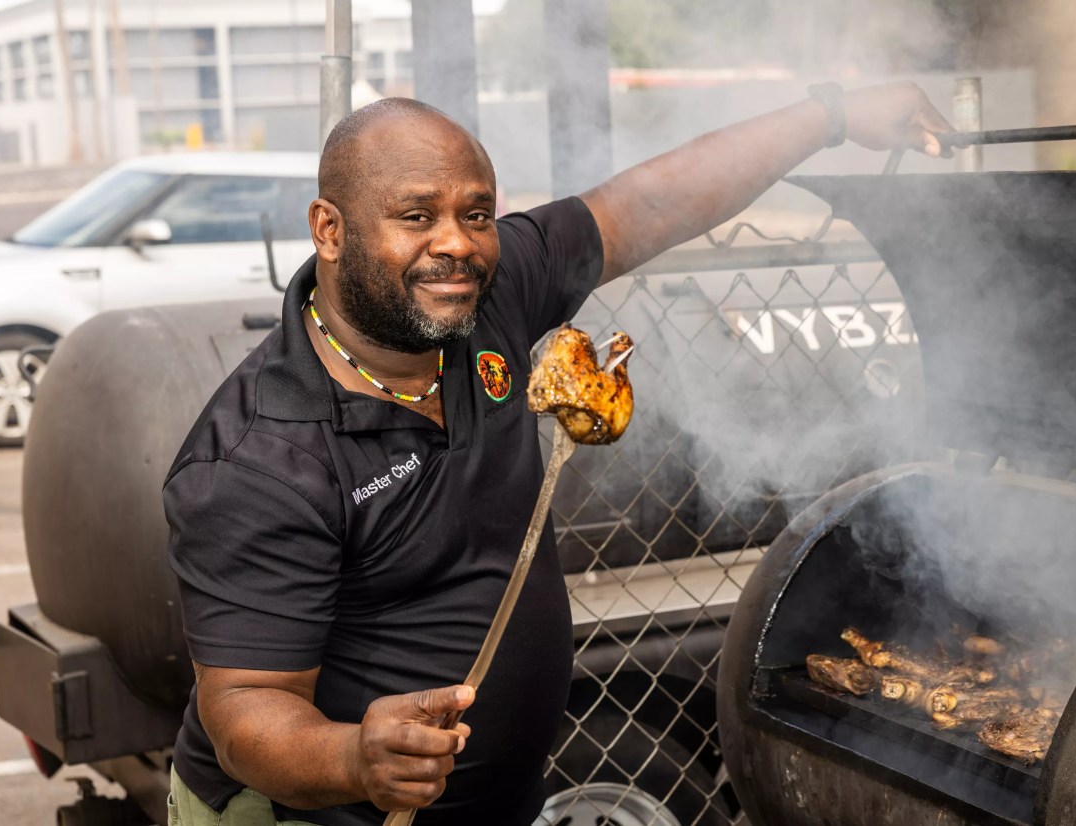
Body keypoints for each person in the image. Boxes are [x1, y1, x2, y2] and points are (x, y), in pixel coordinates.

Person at [163, 82, 954, 826]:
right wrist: (354, 757)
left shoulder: (488, 299)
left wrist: (834, 114)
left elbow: (646, 205)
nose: (458, 244)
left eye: (477, 213)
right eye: (415, 216)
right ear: (329, 230)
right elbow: (247, 710)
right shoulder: (260, 458)